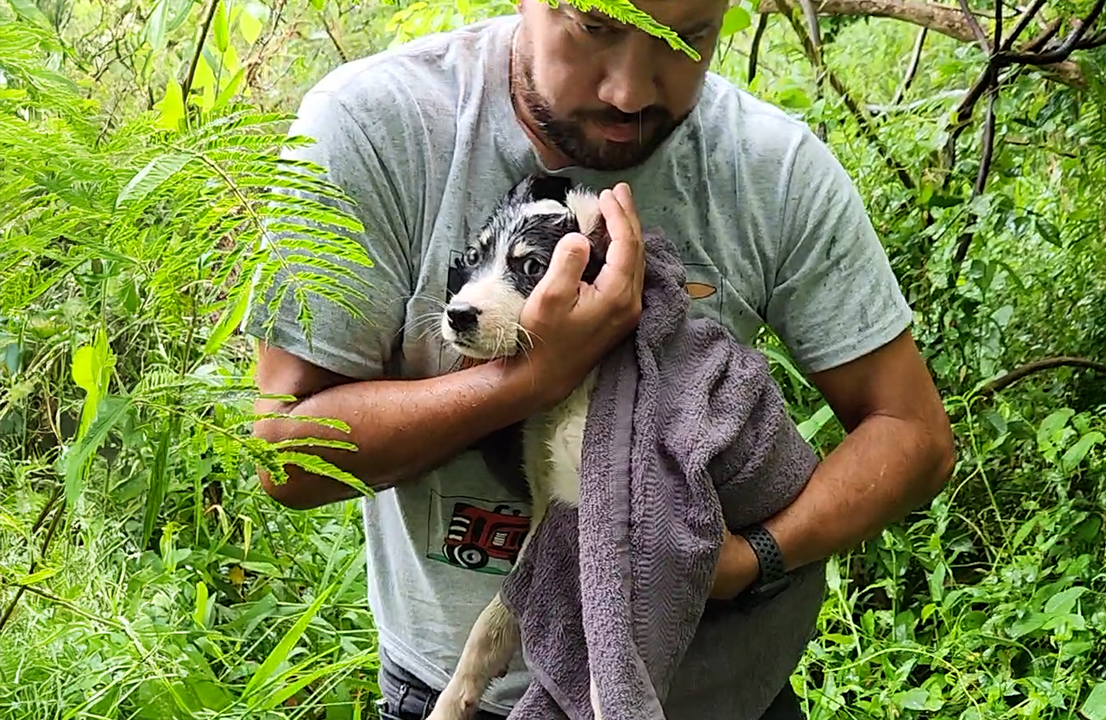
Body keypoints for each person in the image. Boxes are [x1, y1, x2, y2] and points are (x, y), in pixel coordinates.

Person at [243, 0, 955, 718]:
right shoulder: (377, 127)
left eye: (688, 39)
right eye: (595, 26)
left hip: (712, 698)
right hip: (456, 696)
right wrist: (532, 378)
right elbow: (286, 454)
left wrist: (745, 562)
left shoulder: (773, 168)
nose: (630, 91)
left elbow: (912, 434)